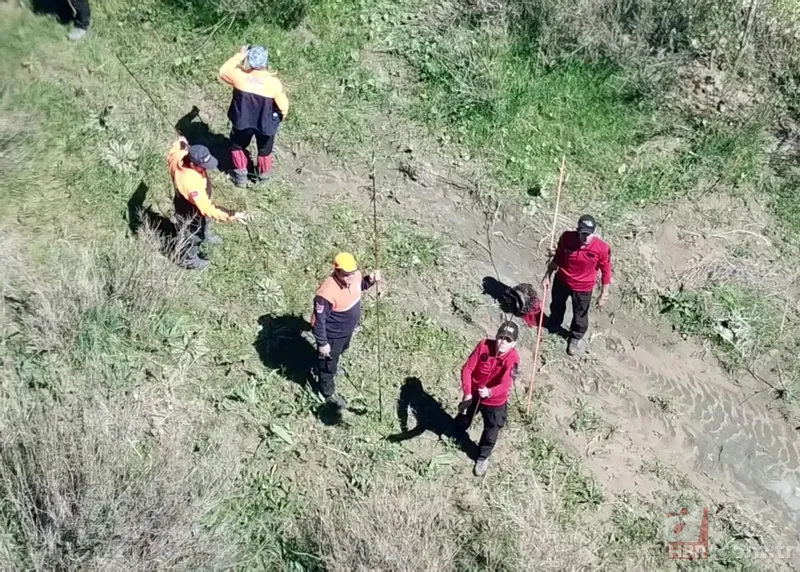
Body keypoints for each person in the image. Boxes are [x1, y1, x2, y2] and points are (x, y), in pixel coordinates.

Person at [166, 135, 247, 269]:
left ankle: (206, 233)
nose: (206, 168)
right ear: (192, 164)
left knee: (204, 222)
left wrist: (181, 141)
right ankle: (190, 260)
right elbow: (207, 209)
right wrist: (231, 214)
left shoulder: (179, 155)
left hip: (182, 200)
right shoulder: (191, 184)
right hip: (191, 209)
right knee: (193, 235)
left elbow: (176, 147)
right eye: (202, 166)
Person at [311, 253, 381, 408]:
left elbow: (359, 286)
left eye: (352, 272)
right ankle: (326, 392)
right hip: (332, 335)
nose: (351, 277)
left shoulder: (355, 276)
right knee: (327, 365)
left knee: (340, 352)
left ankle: (330, 363)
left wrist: (369, 280)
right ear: (337, 271)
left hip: (346, 332)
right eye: (346, 274)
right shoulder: (326, 294)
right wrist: (323, 343)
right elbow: (318, 321)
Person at [542, 214, 612, 356]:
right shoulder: (567, 238)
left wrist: (604, 294)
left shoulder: (602, 248)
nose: (585, 238)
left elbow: (606, 271)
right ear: (577, 230)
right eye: (583, 233)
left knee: (580, 315)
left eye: (588, 234)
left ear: (594, 233)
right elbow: (558, 257)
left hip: (583, 288)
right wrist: (547, 275)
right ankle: (554, 324)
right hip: (562, 280)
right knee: (557, 305)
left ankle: (575, 337)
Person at [219, 45, 289, 188]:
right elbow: (283, 107)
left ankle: (240, 177)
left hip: (242, 121)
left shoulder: (239, 76)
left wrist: (239, 56)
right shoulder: (274, 83)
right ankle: (263, 179)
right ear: (266, 62)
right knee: (265, 151)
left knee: (237, 146)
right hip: (266, 124)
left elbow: (223, 71)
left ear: (249, 60)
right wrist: (279, 118)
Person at [456, 321, 520, 477]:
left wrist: (490, 392)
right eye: (501, 337)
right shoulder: (483, 345)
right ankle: (456, 430)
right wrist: (468, 393)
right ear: (496, 336)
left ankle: (483, 457)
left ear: (513, 344)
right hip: (475, 394)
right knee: (465, 416)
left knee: (491, 431)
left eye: (508, 340)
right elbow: (467, 369)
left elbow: (506, 384)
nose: (503, 342)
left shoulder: (513, 359)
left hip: (495, 403)